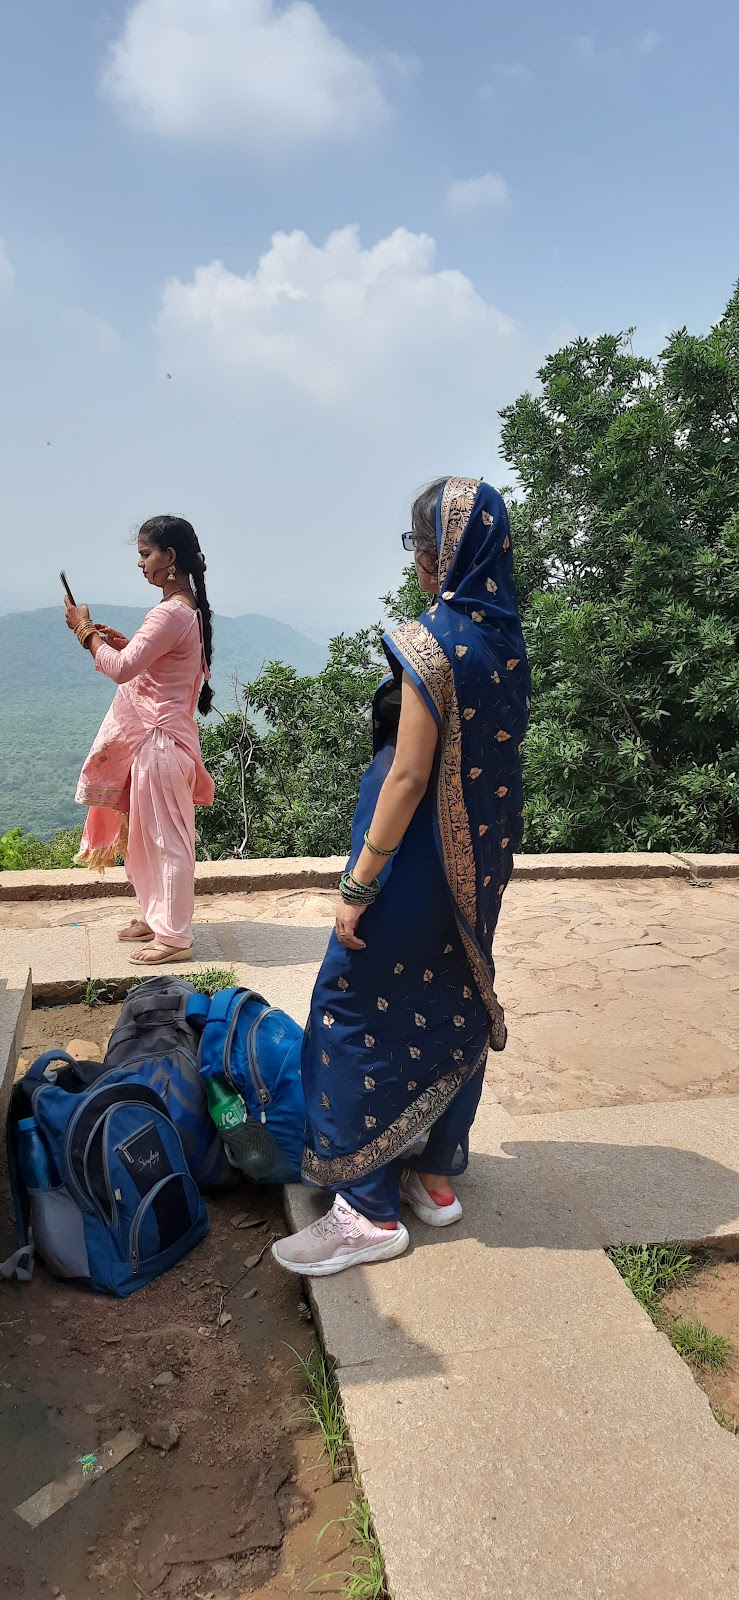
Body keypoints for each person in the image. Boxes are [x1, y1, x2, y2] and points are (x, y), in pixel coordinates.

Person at [273, 477, 530, 1278]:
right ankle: (433, 1179)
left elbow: (409, 775)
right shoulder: (504, 639)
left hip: (412, 864)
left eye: (422, 545)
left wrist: (358, 884)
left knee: (351, 1007)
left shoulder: (433, 641)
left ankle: (365, 1212)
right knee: (452, 995)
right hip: (477, 870)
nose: (418, 561)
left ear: (444, 553)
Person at [64, 515, 215, 964]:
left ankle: (174, 938)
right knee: (145, 839)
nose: (141, 564)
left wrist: (85, 631)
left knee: (167, 840)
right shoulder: (187, 610)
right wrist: (124, 643)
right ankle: (155, 916)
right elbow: (154, 661)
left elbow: (121, 669)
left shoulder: (171, 611)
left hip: (161, 742)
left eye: (146, 554)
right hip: (161, 741)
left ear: (170, 558)